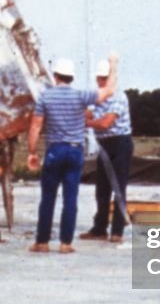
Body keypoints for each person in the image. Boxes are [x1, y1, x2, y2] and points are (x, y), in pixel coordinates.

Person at [27, 54, 119, 253]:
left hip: (54, 150)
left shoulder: (45, 96)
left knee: (48, 197)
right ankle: (65, 243)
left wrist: (32, 152)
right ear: (72, 77)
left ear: (56, 76)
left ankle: (42, 242)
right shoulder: (81, 96)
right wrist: (112, 64)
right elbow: (108, 90)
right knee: (70, 199)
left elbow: (35, 126)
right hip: (75, 150)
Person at [80, 59, 134, 243]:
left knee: (118, 187)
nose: (101, 82)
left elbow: (106, 122)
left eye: (104, 78)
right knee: (102, 189)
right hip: (104, 144)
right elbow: (87, 112)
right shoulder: (97, 97)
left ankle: (117, 230)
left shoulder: (119, 96)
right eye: (99, 78)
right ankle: (99, 228)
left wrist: (88, 122)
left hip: (120, 143)